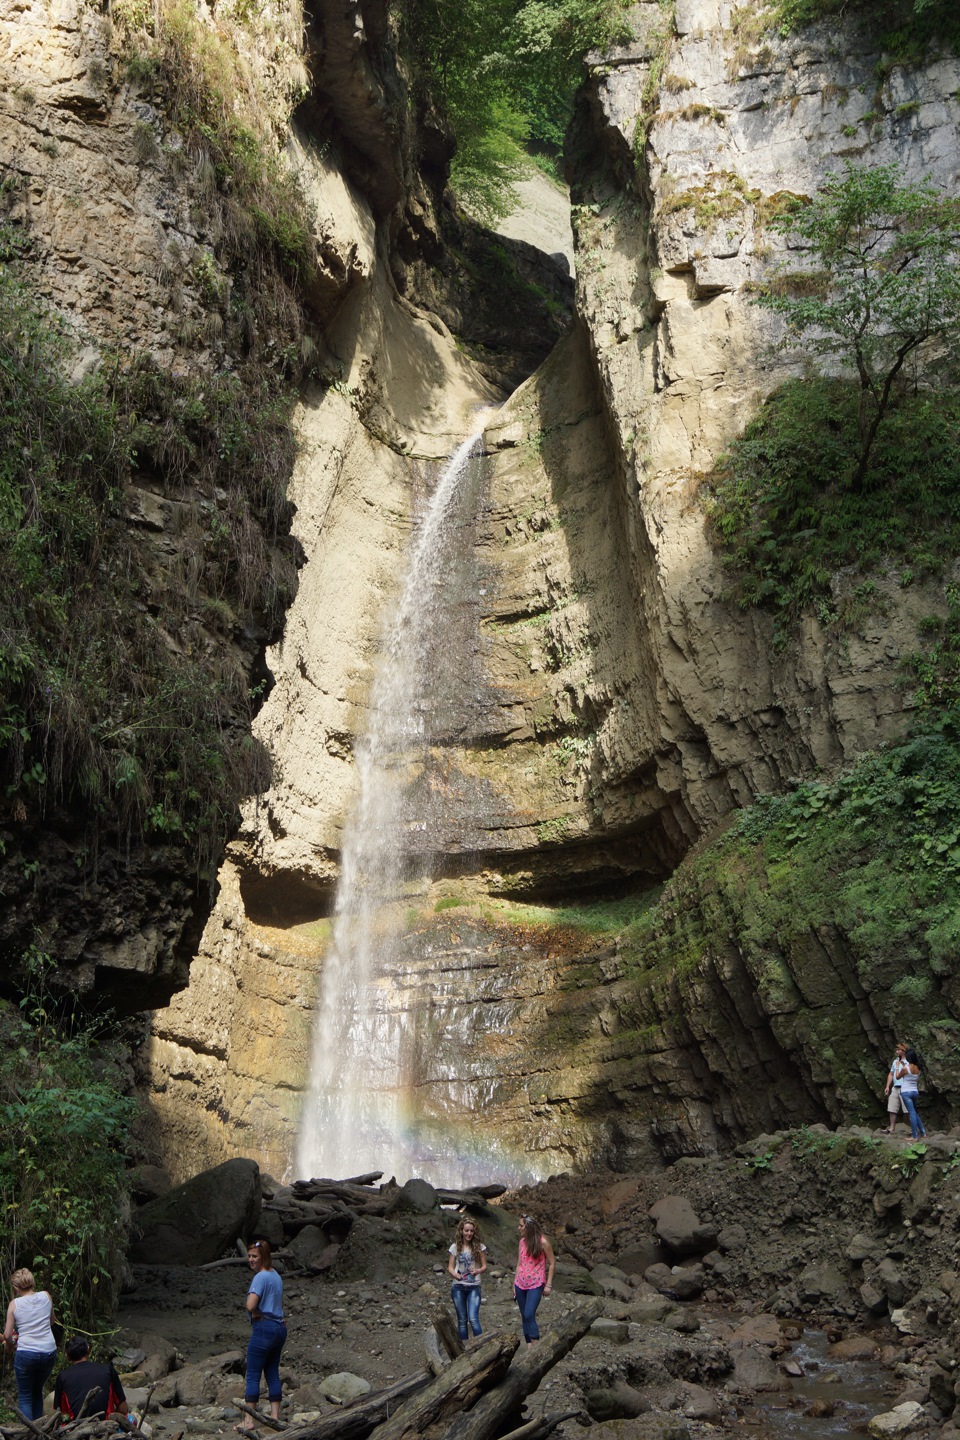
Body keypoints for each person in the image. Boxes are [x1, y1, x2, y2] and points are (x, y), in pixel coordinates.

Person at [237, 1237, 287, 1432]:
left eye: (254, 1256)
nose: (250, 1259)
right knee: (273, 1373)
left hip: (264, 1329)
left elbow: (251, 1305)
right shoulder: (275, 1275)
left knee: (253, 1374)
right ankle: (275, 1417)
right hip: (279, 1328)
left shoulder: (260, 1277)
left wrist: (254, 1311)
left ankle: (249, 1421)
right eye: (249, 1256)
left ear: (263, 1257)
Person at [2, 1268, 57, 1420]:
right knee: (37, 1391)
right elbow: (51, 1320)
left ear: (15, 1287)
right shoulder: (46, 1296)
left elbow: (7, 1335)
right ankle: (40, 1430)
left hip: (26, 1353)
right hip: (48, 1352)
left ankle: (29, 1434)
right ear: (32, 1282)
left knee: (25, 1396)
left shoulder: (14, 1304)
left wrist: (11, 1343)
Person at [54, 1336, 128, 1419]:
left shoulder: (62, 1376)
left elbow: (62, 1414)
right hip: (105, 1426)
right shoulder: (107, 1370)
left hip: (76, 1428)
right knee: (132, 1419)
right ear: (88, 1350)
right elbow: (124, 1409)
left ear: (67, 1356)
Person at [513, 1215, 555, 1345]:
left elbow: (552, 1263)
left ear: (528, 1227)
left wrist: (548, 1285)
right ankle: (529, 1346)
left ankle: (536, 1346)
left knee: (529, 1313)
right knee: (523, 1315)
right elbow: (519, 1263)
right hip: (520, 1283)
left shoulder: (543, 1242)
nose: (519, 1228)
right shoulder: (522, 1242)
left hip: (536, 1284)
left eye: (521, 1226)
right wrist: (514, 1283)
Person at [447, 1218, 488, 1341]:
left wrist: (478, 1271)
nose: (469, 1233)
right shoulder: (455, 1247)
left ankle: (482, 1345)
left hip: (474, 1286)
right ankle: (464, 1349)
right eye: (466, 1231)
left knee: (473, 1318)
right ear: (461, 1231)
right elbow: (450, 1267)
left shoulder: (480, 1247)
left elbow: (484, 1266)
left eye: (471, 1231)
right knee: (462, 1320)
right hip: (458, 1286)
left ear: (474, 1232)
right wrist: (454, 1274)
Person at [897, 1048, 927, 1140]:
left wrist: (898, 1066)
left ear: (908, 1057)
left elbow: (897, 1077)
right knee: (914, 1112)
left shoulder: (905, 1068)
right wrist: (903, 1065)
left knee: (911, 1113)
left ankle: (914, 1136)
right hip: (914, 1091)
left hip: (906, 1092)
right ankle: (923, 1132)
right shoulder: (918, 1068)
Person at [884, 1042, 908, 1134]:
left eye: (898, 1050)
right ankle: (891, 1128)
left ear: (903, 1051)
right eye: (896, 1049)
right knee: (892, 1108)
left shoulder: (908, 1062)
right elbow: (891, 1074)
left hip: (904, 1087)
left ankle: (913, 1128)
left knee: (907, 1109)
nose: (896, 1051)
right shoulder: (895, 1061)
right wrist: (887, 1086)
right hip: (895, 1087)